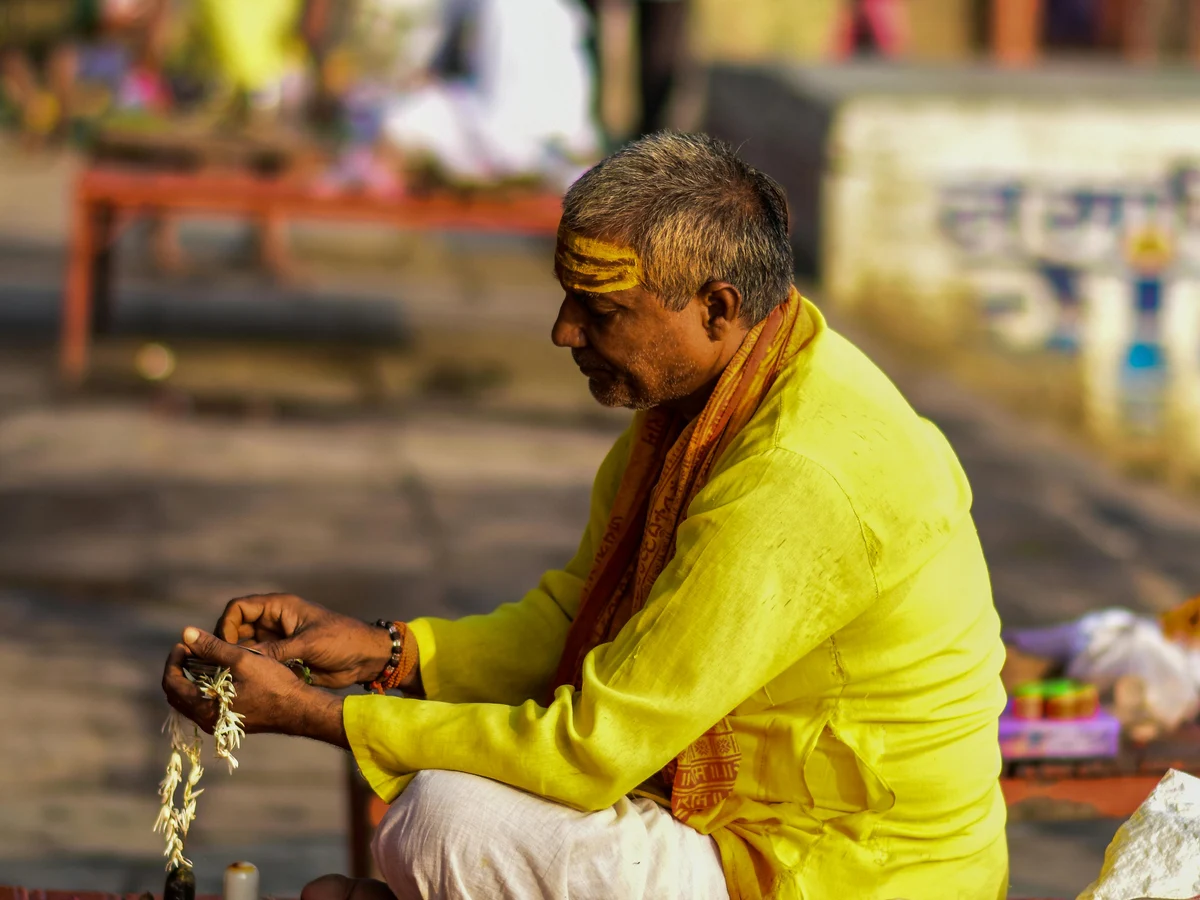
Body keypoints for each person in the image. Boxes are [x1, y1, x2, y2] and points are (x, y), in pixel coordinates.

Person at [163, 131, 1008, 900]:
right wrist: (393, 651)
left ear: (717, 309)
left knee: (443, 819)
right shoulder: (706, 405)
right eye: (569, 299)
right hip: (754, 835)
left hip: (850, 874)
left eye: (602, 311)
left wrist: (314, 714)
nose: (565, 332)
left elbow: (592, 747)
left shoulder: (793, 478)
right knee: (440, 817)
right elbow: (577, 619)